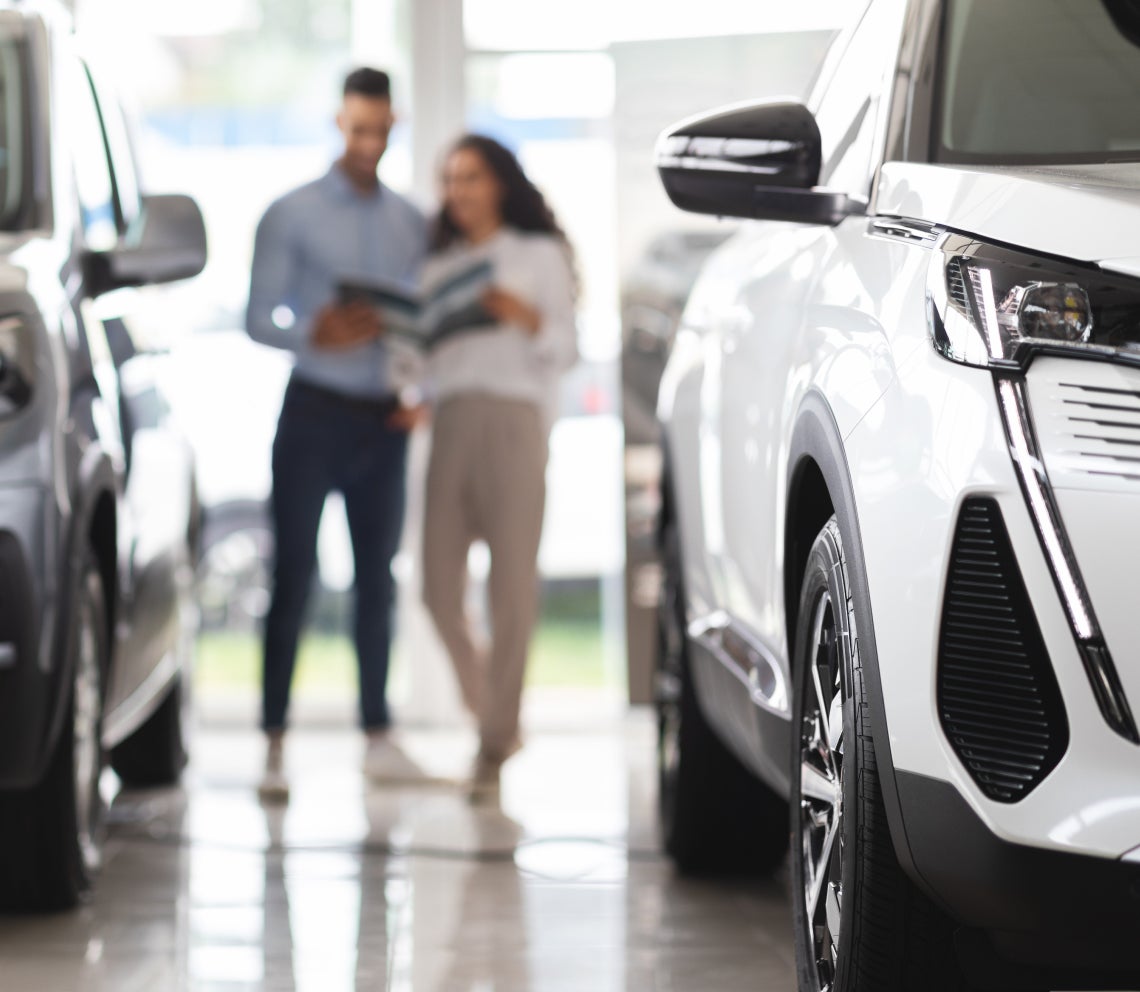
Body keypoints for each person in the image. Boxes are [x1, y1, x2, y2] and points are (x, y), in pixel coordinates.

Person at [245, 67, 428, 801]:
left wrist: (421, 388)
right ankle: (273, 743)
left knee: (377, 580)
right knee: (294, 575)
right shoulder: (290, 213)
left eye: (380, 131)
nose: (369, 144)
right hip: (313, 412)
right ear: (338, 123)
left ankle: (377, 737)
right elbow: (258, 318)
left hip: (383, 419)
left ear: (393, 125)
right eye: (358, 130)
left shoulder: (412, 221)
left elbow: (427, 322)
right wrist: (311, 333)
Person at [419, 134, 578, 799]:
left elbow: (566, 348)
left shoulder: (539, 255)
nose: (458, 191)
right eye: (450, 179)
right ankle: (497, 715)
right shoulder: (436, 267)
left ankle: (491, 745)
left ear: (500, 183)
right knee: (436, 587)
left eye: (472, 177)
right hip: (449, 421)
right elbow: (421, 357)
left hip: (515, 422)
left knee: (511, 590)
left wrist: (526, 317)